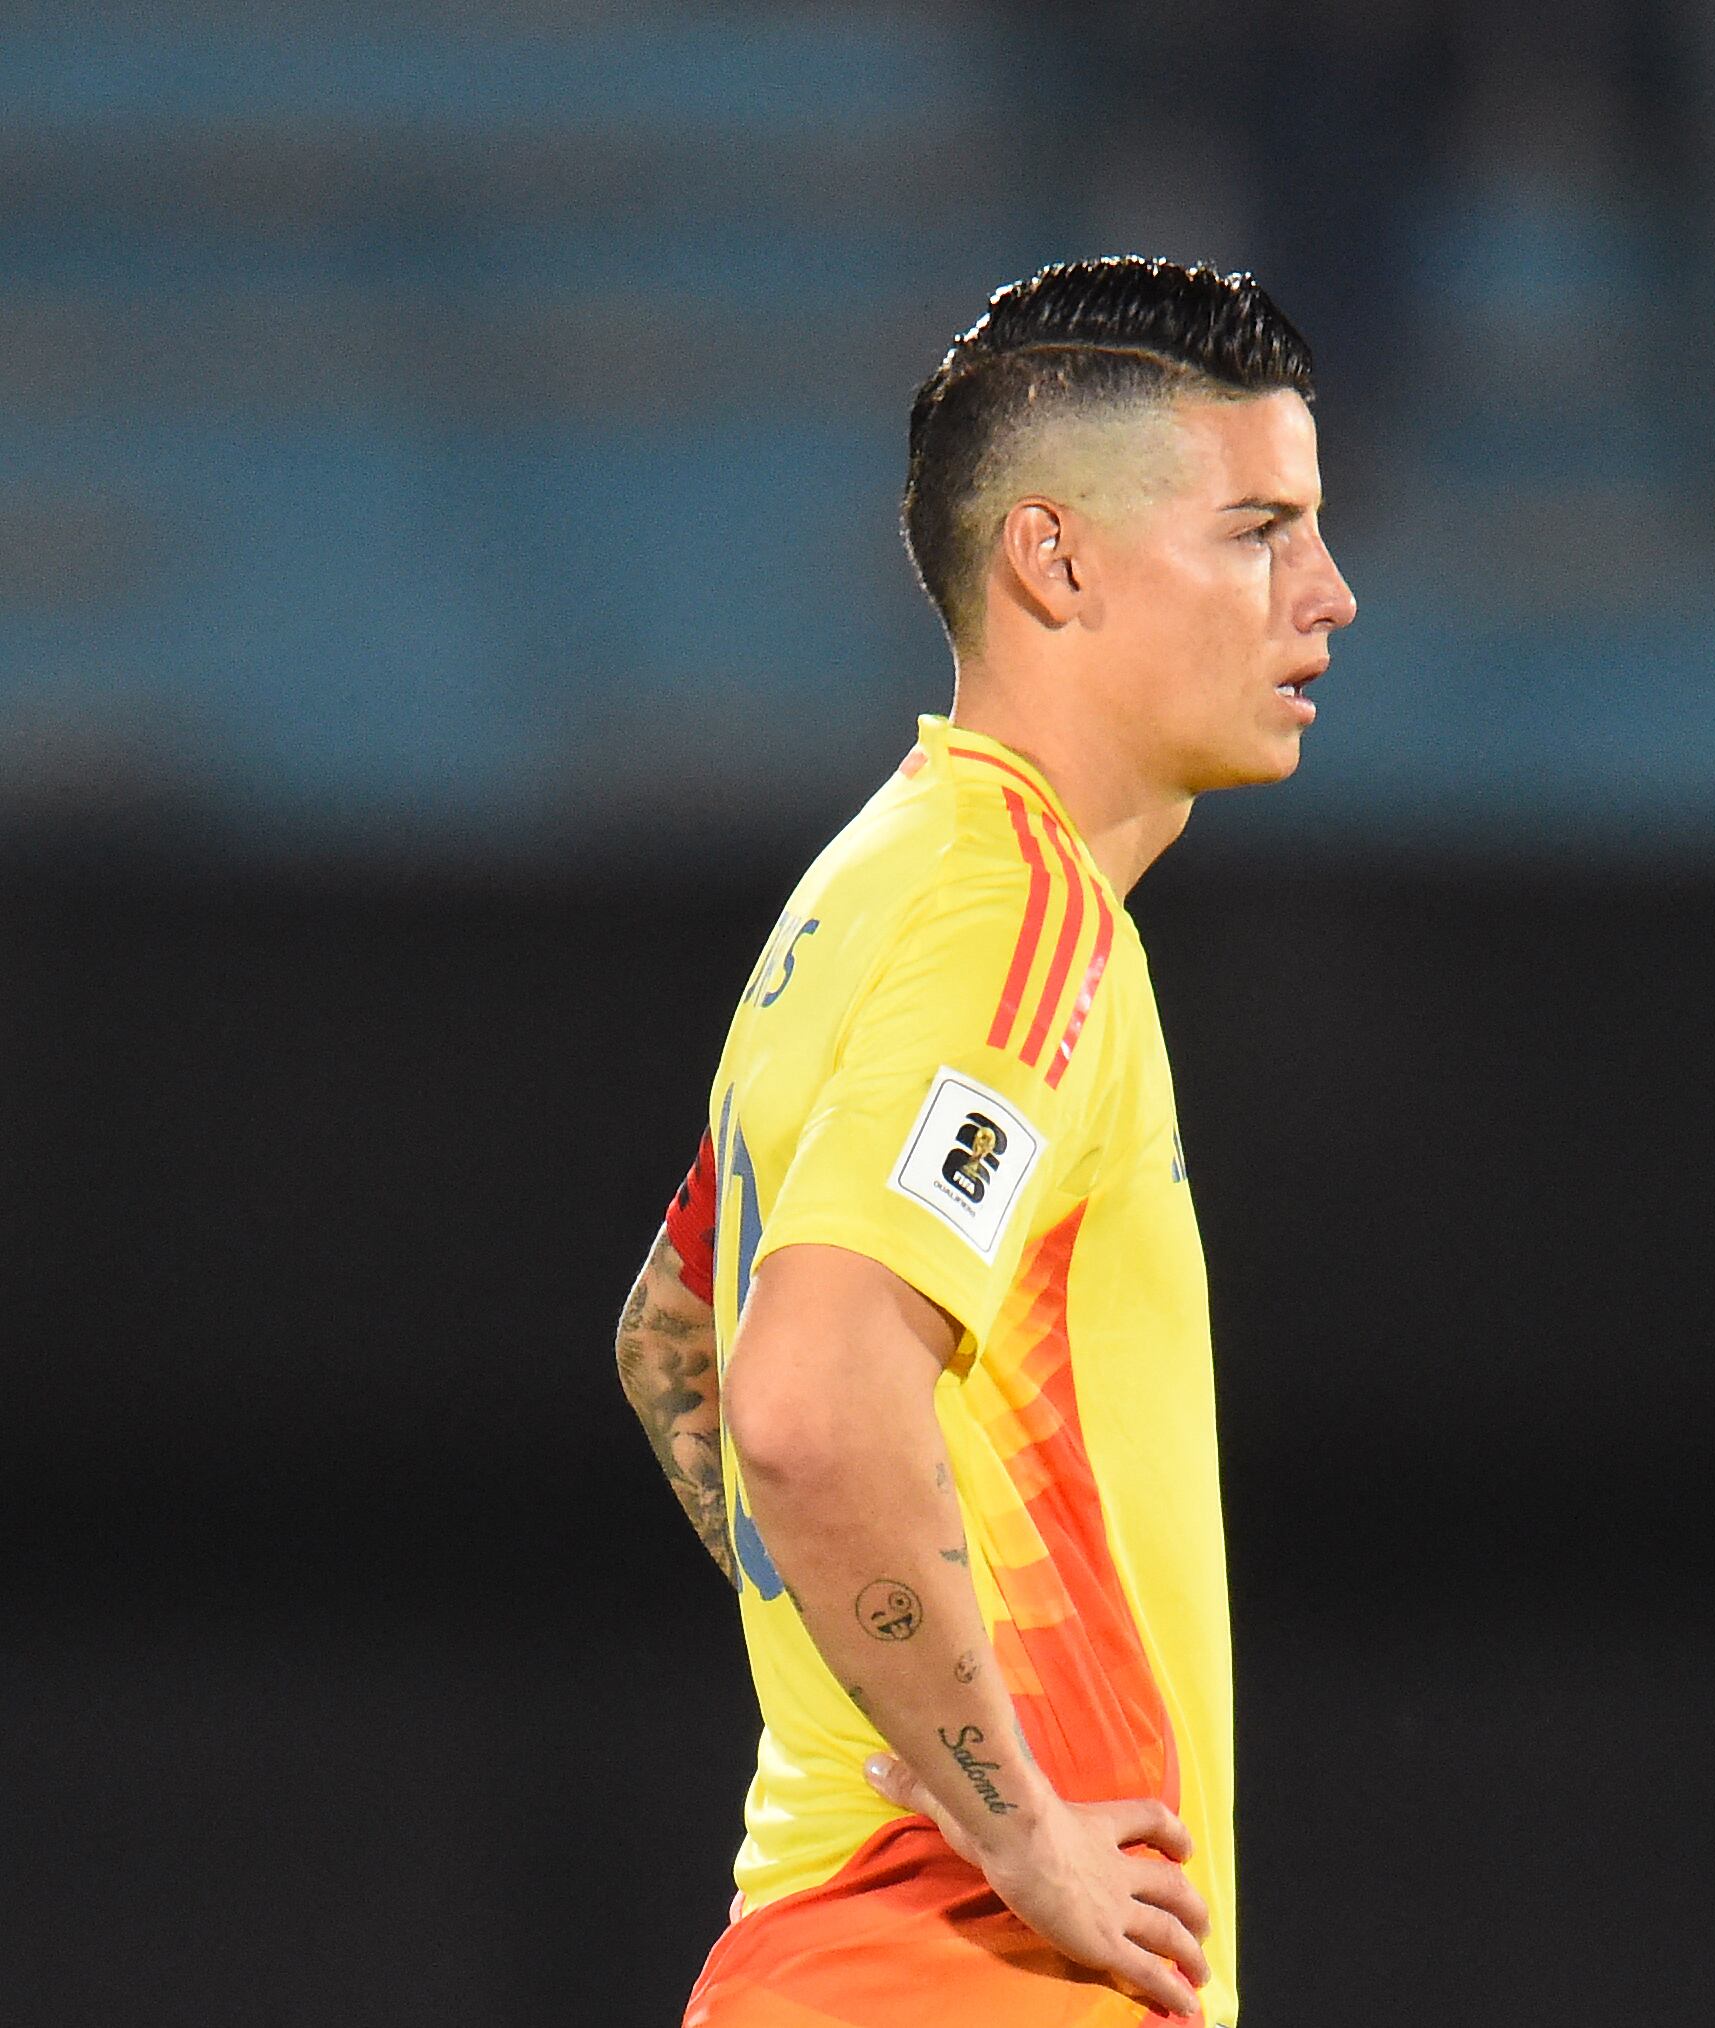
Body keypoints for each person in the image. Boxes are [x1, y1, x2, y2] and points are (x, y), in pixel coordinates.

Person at [609, 256, 1355, 2028]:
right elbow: (792, 1400)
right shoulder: (1020, 917)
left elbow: (669, 1340)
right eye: (1258, 529)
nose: (1326, 591)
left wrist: (882, 1672)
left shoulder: (868, 886)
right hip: (965, 1970)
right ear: (1057, 559)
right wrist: (1006, 1810)